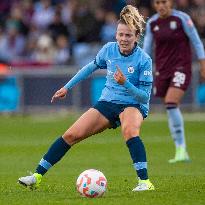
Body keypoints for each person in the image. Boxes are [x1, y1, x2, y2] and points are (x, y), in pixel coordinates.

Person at [18, 5, 154, 192]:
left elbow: (144, 96)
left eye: (128, 35)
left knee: (130, 131)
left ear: (136, 36)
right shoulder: (109, 50)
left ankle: (145, 182)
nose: (123, 39)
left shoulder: (143, 59)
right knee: (71, 135)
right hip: (108, 102)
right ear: (115, 35)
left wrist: (126, 84)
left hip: (133, 104)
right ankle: (37, 176)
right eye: (120, 34)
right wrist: (67, 87)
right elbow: (90, 68)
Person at [143, 0, 205, 163]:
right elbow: (146, 50)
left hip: (181, 67)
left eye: (164, 2)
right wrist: (141, 68)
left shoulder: (182, 19)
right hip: (162, 70)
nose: (161, 5)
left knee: (171, 102)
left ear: (171, 3)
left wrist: (203, 63)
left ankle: (181, 148)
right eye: (157, 2)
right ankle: (180, 149)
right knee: (170, 108)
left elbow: (197, 42)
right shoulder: (152, 23)